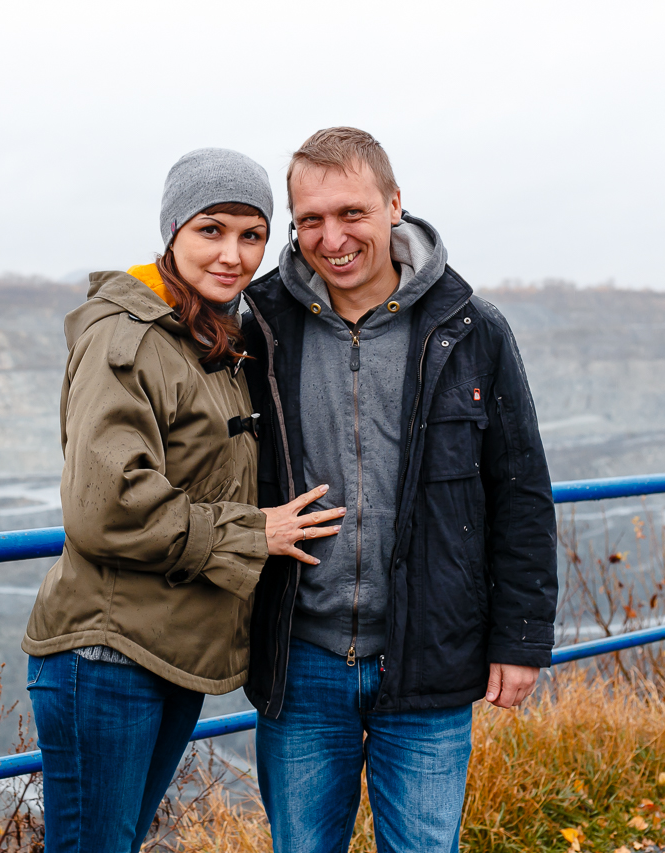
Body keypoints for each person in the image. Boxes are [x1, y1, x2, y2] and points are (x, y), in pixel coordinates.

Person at [241, 127, 559, 852]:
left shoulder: (473, 329)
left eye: (351, 212)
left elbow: (520, 491)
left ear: (394, 205)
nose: (332, 238)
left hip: (429, 656)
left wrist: (521, 639)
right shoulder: (261, 327)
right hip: (300, 659)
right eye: (311, 219)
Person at [22, 148, 345, 853]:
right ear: (172, 230)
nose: (233, 255)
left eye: (252, 235)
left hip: (169, 649)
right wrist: (251, 533)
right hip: (108, 652)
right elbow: (107, 506)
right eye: (211, 230)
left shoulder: (206, 333)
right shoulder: (128, 336)